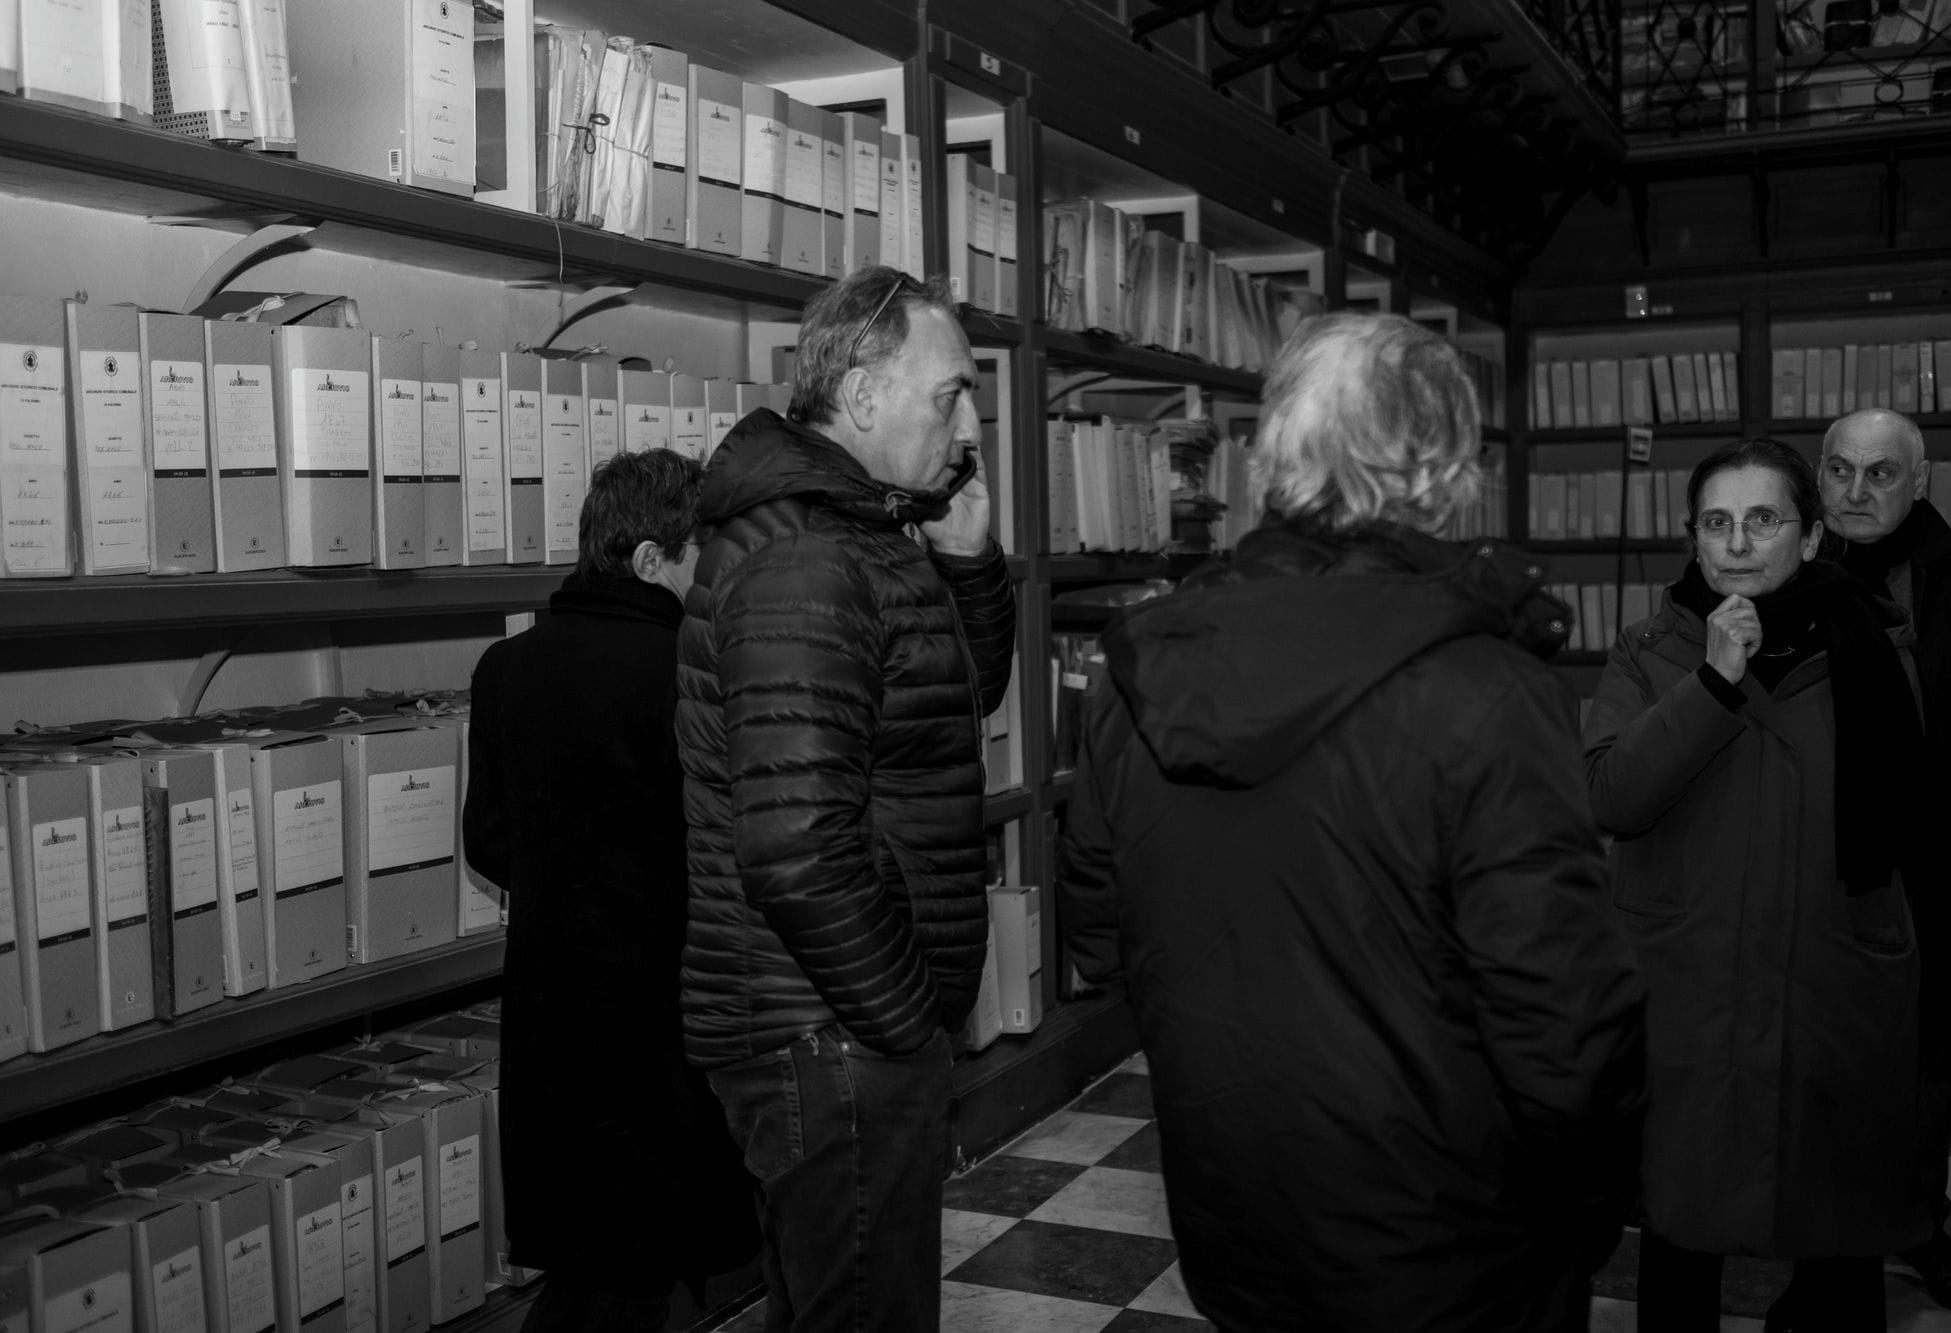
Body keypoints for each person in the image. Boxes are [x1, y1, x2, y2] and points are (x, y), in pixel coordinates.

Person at [1057, 311, 1647, 1333]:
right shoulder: (1487, 690)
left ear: (1270, 457)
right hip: (1454, 1246)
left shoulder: (1140, 671)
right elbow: (1562, 1021)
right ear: (1443, 470)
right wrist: (1592, 1206)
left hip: (1237, 1216)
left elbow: (1100, 938)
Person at [676, 266, 1016, 1332]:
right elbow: (797, 846)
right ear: (863, 394)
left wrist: (968, 565)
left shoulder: (859, 529)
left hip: (836, 1023)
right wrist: (902, 1020)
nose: (969, 429)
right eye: (950, 395)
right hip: (831, 1032)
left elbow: (946, 706)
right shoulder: (807, 557)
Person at [1586, 437, 1929, 1333]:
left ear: (1809, 537)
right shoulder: (1648, 651)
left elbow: (1921, 815)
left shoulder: (1879, 648)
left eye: (1763, 519)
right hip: (1690, 985)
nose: (1738, 543)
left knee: (1840, 1234)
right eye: (1717, 522)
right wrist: (1712, 680)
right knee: (1681, 1227)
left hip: (1832, 979)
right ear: (1694, 539)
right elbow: (1611, 795)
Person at [463, 448, 760, 1332]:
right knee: (639, 1266)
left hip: (552, 1009)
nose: (711, 572)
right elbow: (726, 842)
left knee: (587, 1260)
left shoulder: (504, 667)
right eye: (699, 553)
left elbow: (488, 838)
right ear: (649, 559)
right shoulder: (693, 668)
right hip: (667, 1011)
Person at [1818, 407, 1951, 1321]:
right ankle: (1828, 1259)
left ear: (1920, 480)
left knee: (1928, 1071)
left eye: (1880, 472)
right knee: (1828, 1070)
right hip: (1825, 869)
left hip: (1941, 869)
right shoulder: (1790, 572)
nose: (1857, 490)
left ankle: (1924, 1227)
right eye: (1840, 470)